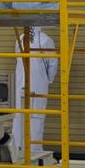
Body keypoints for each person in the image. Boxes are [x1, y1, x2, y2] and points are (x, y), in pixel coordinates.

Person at [13, 27, 58, 159]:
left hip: (23, 84)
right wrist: (48, 79)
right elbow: (53, 63)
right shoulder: (45, 40)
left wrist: (47, 79)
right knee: (33, 118)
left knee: (22, 118)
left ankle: (19, 153)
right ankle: (33, 154)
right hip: (37, 85)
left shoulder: (21, 39)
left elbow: (17, 58)